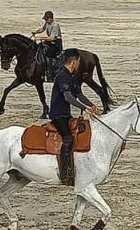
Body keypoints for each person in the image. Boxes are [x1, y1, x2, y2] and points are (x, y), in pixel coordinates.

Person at [49, 49, 100, 185]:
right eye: (78, 62)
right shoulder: (62, 76)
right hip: (58, 114)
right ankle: (65, 171)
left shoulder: (72, 77)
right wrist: (84, 108)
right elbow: (68, 97)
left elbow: (79, 94)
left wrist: (92, 105)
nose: (79, 64)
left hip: (66, 114)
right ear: (73, 62)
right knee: (68, 138)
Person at [33, 10, 63, 81]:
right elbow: (42, 29)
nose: (46, 20)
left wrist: (40, 38)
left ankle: (50, 73)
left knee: (48, 55)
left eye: (47, 19)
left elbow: (51, 38)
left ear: (51, 18)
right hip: (49, 41)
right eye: (45, 19)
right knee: (38, 47)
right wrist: (36, 32)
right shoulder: (47, 23)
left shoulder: (55, 25)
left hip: (56, 43)